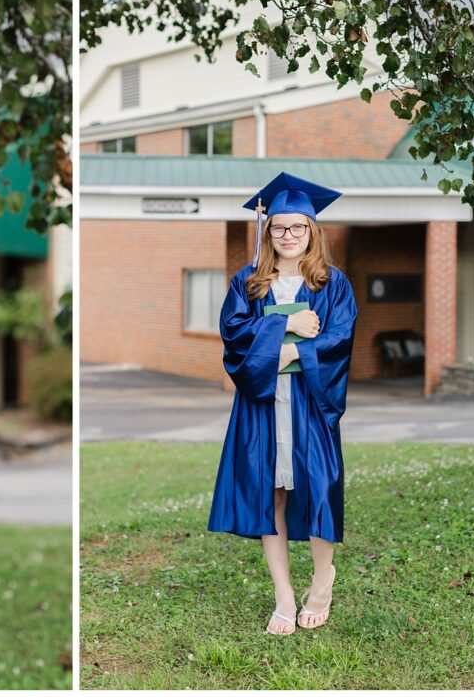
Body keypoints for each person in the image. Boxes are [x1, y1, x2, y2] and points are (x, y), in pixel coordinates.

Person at [207, 172, 357, 636]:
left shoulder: (332, 284)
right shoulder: (247, 284)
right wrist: (290, 334)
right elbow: (234, 338)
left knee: (318, 488)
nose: (288, 236)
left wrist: (284, 349)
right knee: (270, 493)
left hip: (310, 401)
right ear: (267, 231)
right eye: (279, 227)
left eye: (297, 227)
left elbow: (339, 339)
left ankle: (321, 585)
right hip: (261, 405)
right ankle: (284, 597)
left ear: (312, 231)